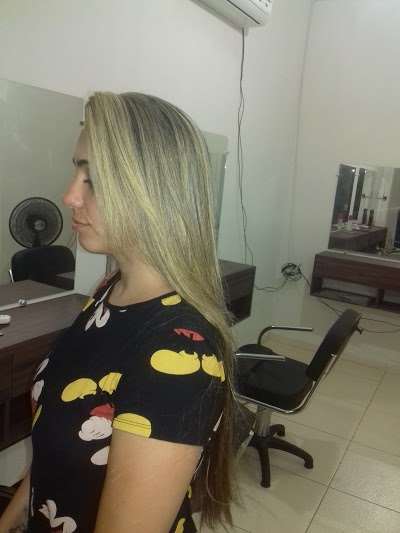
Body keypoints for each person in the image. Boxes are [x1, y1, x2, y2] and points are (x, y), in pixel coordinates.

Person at [0, 92, 236, 532]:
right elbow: (57, 442)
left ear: (153, 191)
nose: (70, 195)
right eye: (77, 171)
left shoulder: (180, 354)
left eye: (93, 178)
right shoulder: (110, 292)